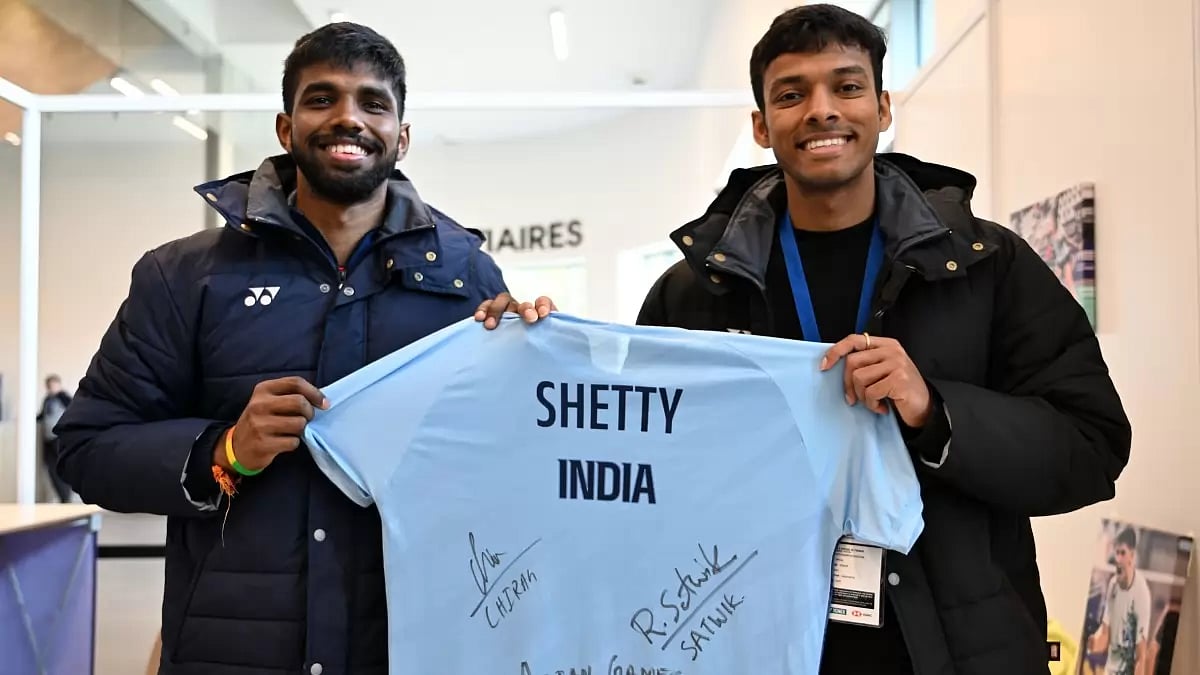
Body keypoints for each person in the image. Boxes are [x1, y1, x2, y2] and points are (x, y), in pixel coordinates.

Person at [636, 4, 1132, 673]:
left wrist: (936, 412)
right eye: (791, 95)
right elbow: (638, 468)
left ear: (883, 106)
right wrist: (522, 344)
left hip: (957, 652)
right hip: (756, 641)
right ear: (761, 125)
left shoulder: (987, 265)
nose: (821, 110)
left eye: (846, 86)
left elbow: (1092, 446)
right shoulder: (693, 293)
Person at [54, 22, 551, 675]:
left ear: (401, 137)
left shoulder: (468, 281)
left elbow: (508, 469)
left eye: (373, 103)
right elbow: (86, 449)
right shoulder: (184, 277)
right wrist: (225, 450)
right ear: (286, 129)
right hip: (234, 656)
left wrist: (530, 361)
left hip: (408, 650)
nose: (348, 117)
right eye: (322, 98)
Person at [1087, 527, 1152, 675]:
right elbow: (1105, 634)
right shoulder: (1113, 585)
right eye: (1116, 553)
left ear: (1132, 556)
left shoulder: (1141, 593)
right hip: (1109, 670)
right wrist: (1092, 643)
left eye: (1122, 553)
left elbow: (1141, 655)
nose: (1118, 559)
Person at [37, 374, 73, 502]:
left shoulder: (65, 398)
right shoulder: (47, 399)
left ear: (58, 384)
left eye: (54, 384)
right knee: (51, 468)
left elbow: (73, 412)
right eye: (49, 385)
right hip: (48, 439)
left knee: (62, 466)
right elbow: (42, 416)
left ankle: (66, 497)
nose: (51, 388)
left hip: (59, 437)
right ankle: (62, 496)